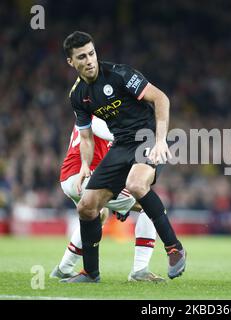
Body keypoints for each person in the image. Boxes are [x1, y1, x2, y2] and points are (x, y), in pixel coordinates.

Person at [62, 31, 186, 282]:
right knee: (86, 207)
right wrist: (86, 164)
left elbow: (161, 98)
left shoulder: (120, 75)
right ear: (71, 62)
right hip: (120, 146)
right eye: (82, 57)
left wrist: (161, 140)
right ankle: (90, 272)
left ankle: (174, 248)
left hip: (147, 138)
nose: (89, 60)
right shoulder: (78, 95)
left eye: (92, 53)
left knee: (136, 184)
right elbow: (85, 137)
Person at [50, 116, 165, 282]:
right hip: (83, 177)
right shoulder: (100, 115)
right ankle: (140, 270)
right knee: (148, 205)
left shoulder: (97, 113)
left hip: (74, 177)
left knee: (98, 215)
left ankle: (63, 268)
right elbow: (108, 133)